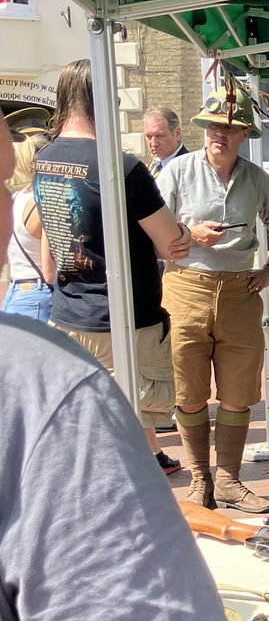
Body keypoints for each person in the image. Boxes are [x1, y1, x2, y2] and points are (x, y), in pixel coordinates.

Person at [0, 124, 268, 621]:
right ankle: (208, 483)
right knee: (158, 424)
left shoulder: (51, 165)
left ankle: (223, 481)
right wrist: (181, 239)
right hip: (125, 318)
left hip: (78, 311)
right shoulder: (36, 392)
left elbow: (45, 242)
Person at [32, 59, 190, 476]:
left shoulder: (44, 159)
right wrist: (187, 232)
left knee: (89, 424)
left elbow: (48, 247)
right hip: (121, 321)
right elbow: (171, 244)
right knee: (125, 432)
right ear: (101, 99)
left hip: (67, 312)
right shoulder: (123, 167)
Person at [156, 86, 269, 513]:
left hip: (240, 291)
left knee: (238, 392)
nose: (220, 134)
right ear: (203, 129)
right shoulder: (177, 172)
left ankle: (230, 481)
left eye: (231, 128)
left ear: (244, 135)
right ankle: (201, 482)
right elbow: (149, 230)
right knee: (189, 392)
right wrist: (188, 234)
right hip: (186, 289)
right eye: (215, 125)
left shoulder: (256, 178)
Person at [3, 128, 51, 321]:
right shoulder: (44, 202)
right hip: (39, 294)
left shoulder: (14, 199)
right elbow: (49, 272)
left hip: (14, 293)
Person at [142, 106, 188, 177]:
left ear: (177, 133)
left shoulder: (189, 169)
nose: (154, 144)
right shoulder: (154, 166)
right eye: (149, 137)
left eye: (159, 136)